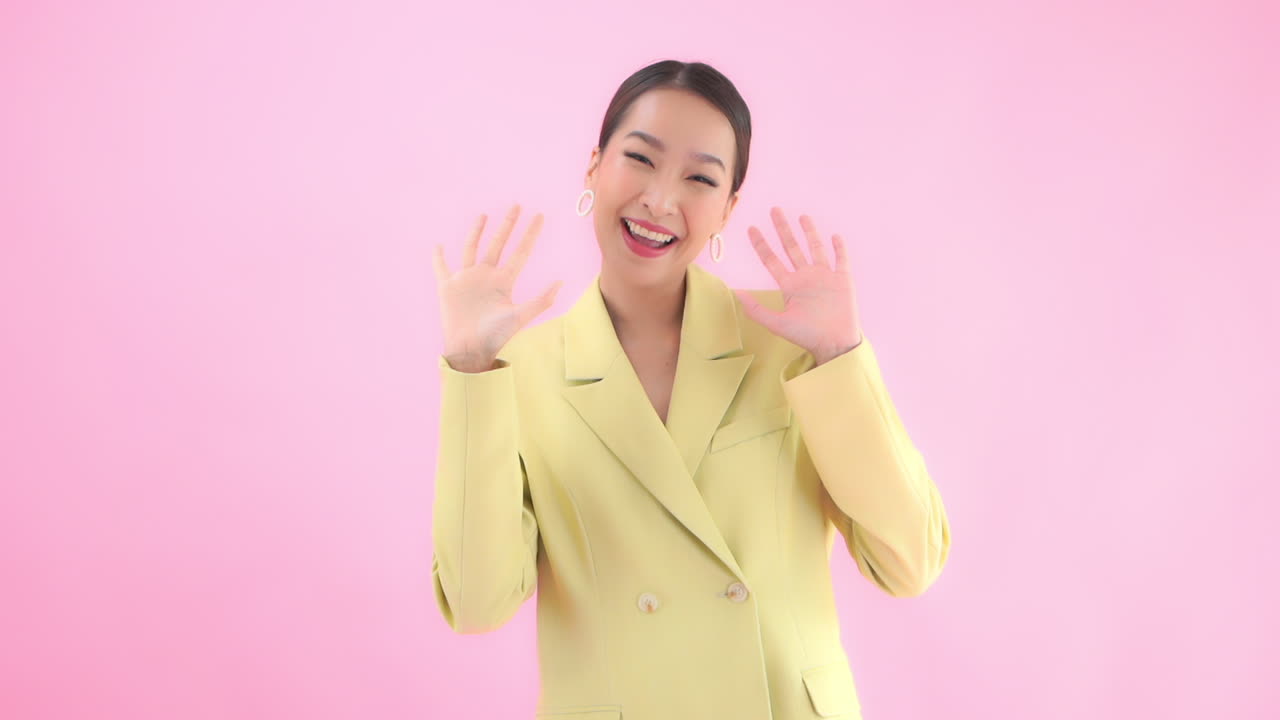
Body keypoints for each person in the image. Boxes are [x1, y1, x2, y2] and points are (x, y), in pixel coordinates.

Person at [429, 59, 950, 720]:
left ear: (728, 208)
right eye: (640, 159)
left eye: (700, 178)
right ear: (594, 167)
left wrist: (840, 357)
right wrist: (471, 369)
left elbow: (910, 562)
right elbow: (476, 604)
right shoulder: (518, 370)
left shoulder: (788, 341)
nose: (659, 200)